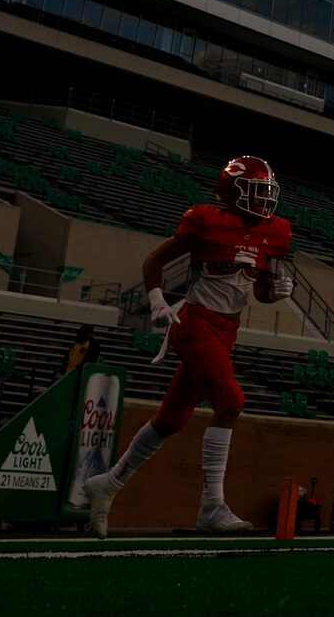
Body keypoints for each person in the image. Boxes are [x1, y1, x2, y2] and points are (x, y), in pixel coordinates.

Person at [79, 154, 294, 536]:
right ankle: (212, 505)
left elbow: (259, 289)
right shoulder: (206, 221)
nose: (263, 200)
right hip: (194, 322)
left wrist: (275, 292)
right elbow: (154, 261)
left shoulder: (274, 231)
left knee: (171, 420)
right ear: (233, 192)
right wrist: (157, 301)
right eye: (256, 191)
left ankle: (107, 484)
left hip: (228, 329)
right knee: (230, 402)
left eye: (266, 192)